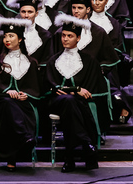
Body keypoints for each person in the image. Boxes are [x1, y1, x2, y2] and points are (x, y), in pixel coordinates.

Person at [44, 15, 107, 171]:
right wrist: (76, 90)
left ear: (78, 38)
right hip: (57, 102)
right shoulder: (53, 60)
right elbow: (51, 87)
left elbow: (92, 89)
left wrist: (72, 93)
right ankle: (86, 143)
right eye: (63, 35)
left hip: (76, 105)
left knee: (71, 105)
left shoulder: (89, 61)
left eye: (70, 36)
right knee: (68, 101)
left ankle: (69, 158)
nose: (65, 39)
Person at [0, 18, 42, 170]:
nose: (7, 40)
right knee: (8, 103)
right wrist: (6, 91)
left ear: (20, 39)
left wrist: (26, 94)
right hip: (1, 104)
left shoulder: (31, 62)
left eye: (11, 36)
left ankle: (13, 157)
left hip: (23, 104)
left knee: (14, 106)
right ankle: (25, 137)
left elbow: (35, 88)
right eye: (5, 36)